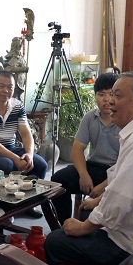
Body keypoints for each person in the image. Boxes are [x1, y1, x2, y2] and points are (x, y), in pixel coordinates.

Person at [44, 71, 133, 265]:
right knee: (82, 206)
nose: (109, 101)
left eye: (117, 95)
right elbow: (119, 180)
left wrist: (83, 228)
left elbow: (119, 201)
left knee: (54, 241)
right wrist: (96, 203)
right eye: (106, 95)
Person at [0, 70, 48, 217]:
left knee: (40, 164)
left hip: (10, 148)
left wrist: (29, 154)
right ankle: (6, 209)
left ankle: (28, 204)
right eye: (1, 86)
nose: (6, 91)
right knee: (7, 165)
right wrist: (15, 158)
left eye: (10, 87)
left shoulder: (17, 106)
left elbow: (26, 134)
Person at [50, 73, 120, 225]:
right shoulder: (90, 117)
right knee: (57, 181)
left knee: (88, 214)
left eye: (111, 94)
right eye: (101, 94)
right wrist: (83, 174)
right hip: (93, 166)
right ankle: (64, 226)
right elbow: (77, 149)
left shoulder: (124, 120)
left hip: (117, 172)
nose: (106, 99)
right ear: (95, 96)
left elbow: (127, 165)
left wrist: (104, 186)